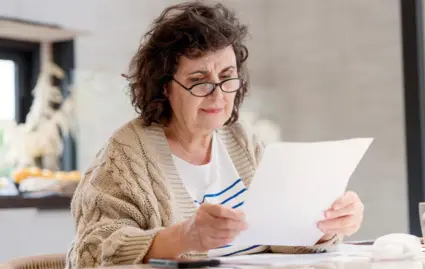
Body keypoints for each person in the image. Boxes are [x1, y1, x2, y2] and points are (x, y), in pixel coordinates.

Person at [66, 2, 365, 268]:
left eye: (226, 78)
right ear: (165, 87)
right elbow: (91, 253)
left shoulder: (243, 143)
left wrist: (324, 226)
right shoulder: (125, 157)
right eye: (199, 81)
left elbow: (279, 239)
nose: (218, 95)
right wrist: (186, 236)